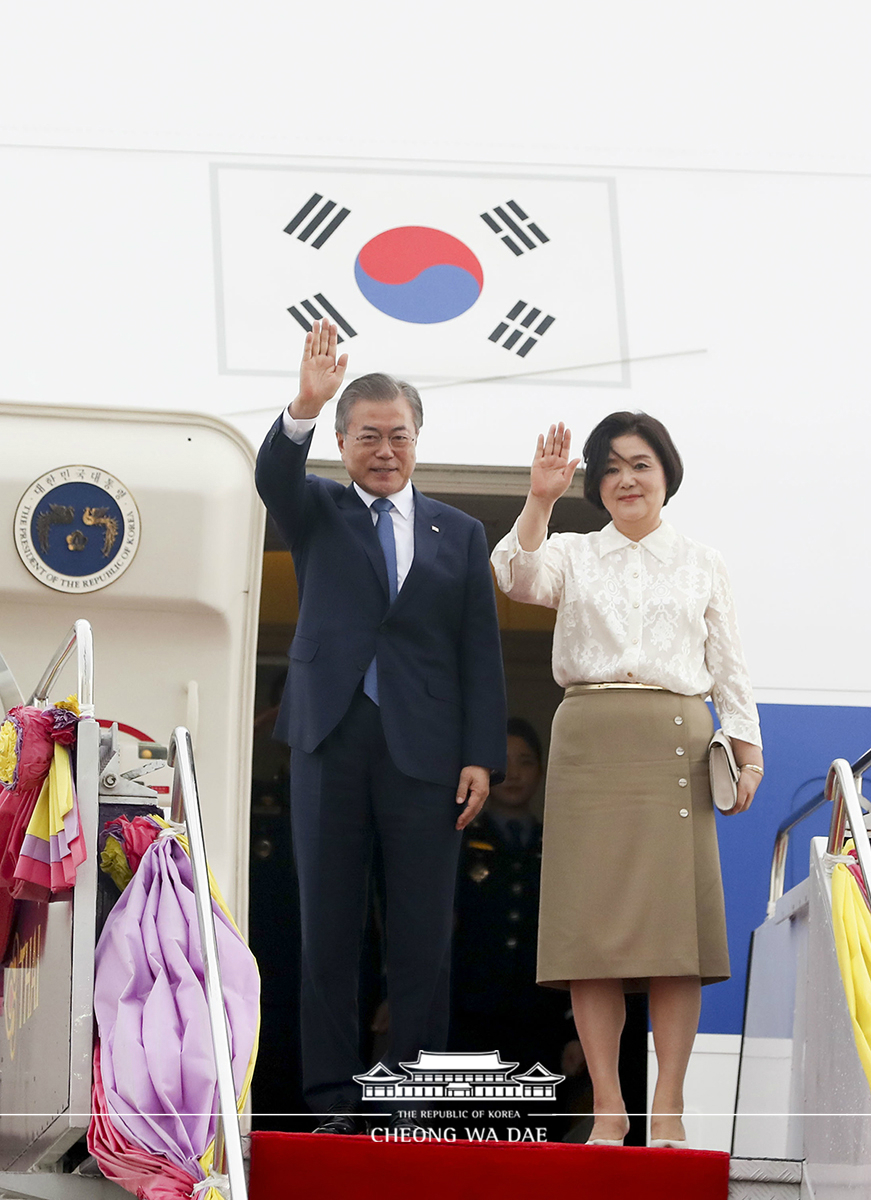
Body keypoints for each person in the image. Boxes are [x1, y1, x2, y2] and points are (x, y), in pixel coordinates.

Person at [255, 321, 507, 1133]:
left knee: (422, 932)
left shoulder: (458, 534)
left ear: (418, 439)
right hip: (329, 739)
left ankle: (413, 1100)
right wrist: (303, 401)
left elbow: (478, 650)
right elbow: (271, 475)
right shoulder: (317, 508)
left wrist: (479, 755)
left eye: (399, 435)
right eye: (368, 436)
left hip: (426, 753)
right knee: (327, 927)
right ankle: (331, 1100)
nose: (385, 450)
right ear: (341, 441)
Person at [490, 414, 763, 1148]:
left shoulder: (702, 561)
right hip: (588, 743)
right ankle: (609, 1109)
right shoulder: (572, 554)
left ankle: (666, 1108)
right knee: (592, 936)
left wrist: (747, 749)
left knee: (673, 938)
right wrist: (539, 501)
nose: (625, 480)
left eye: (639, 465)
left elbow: (730, 666)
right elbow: (513, 576)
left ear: (666, 473)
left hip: (676, 743)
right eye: (609, 469)